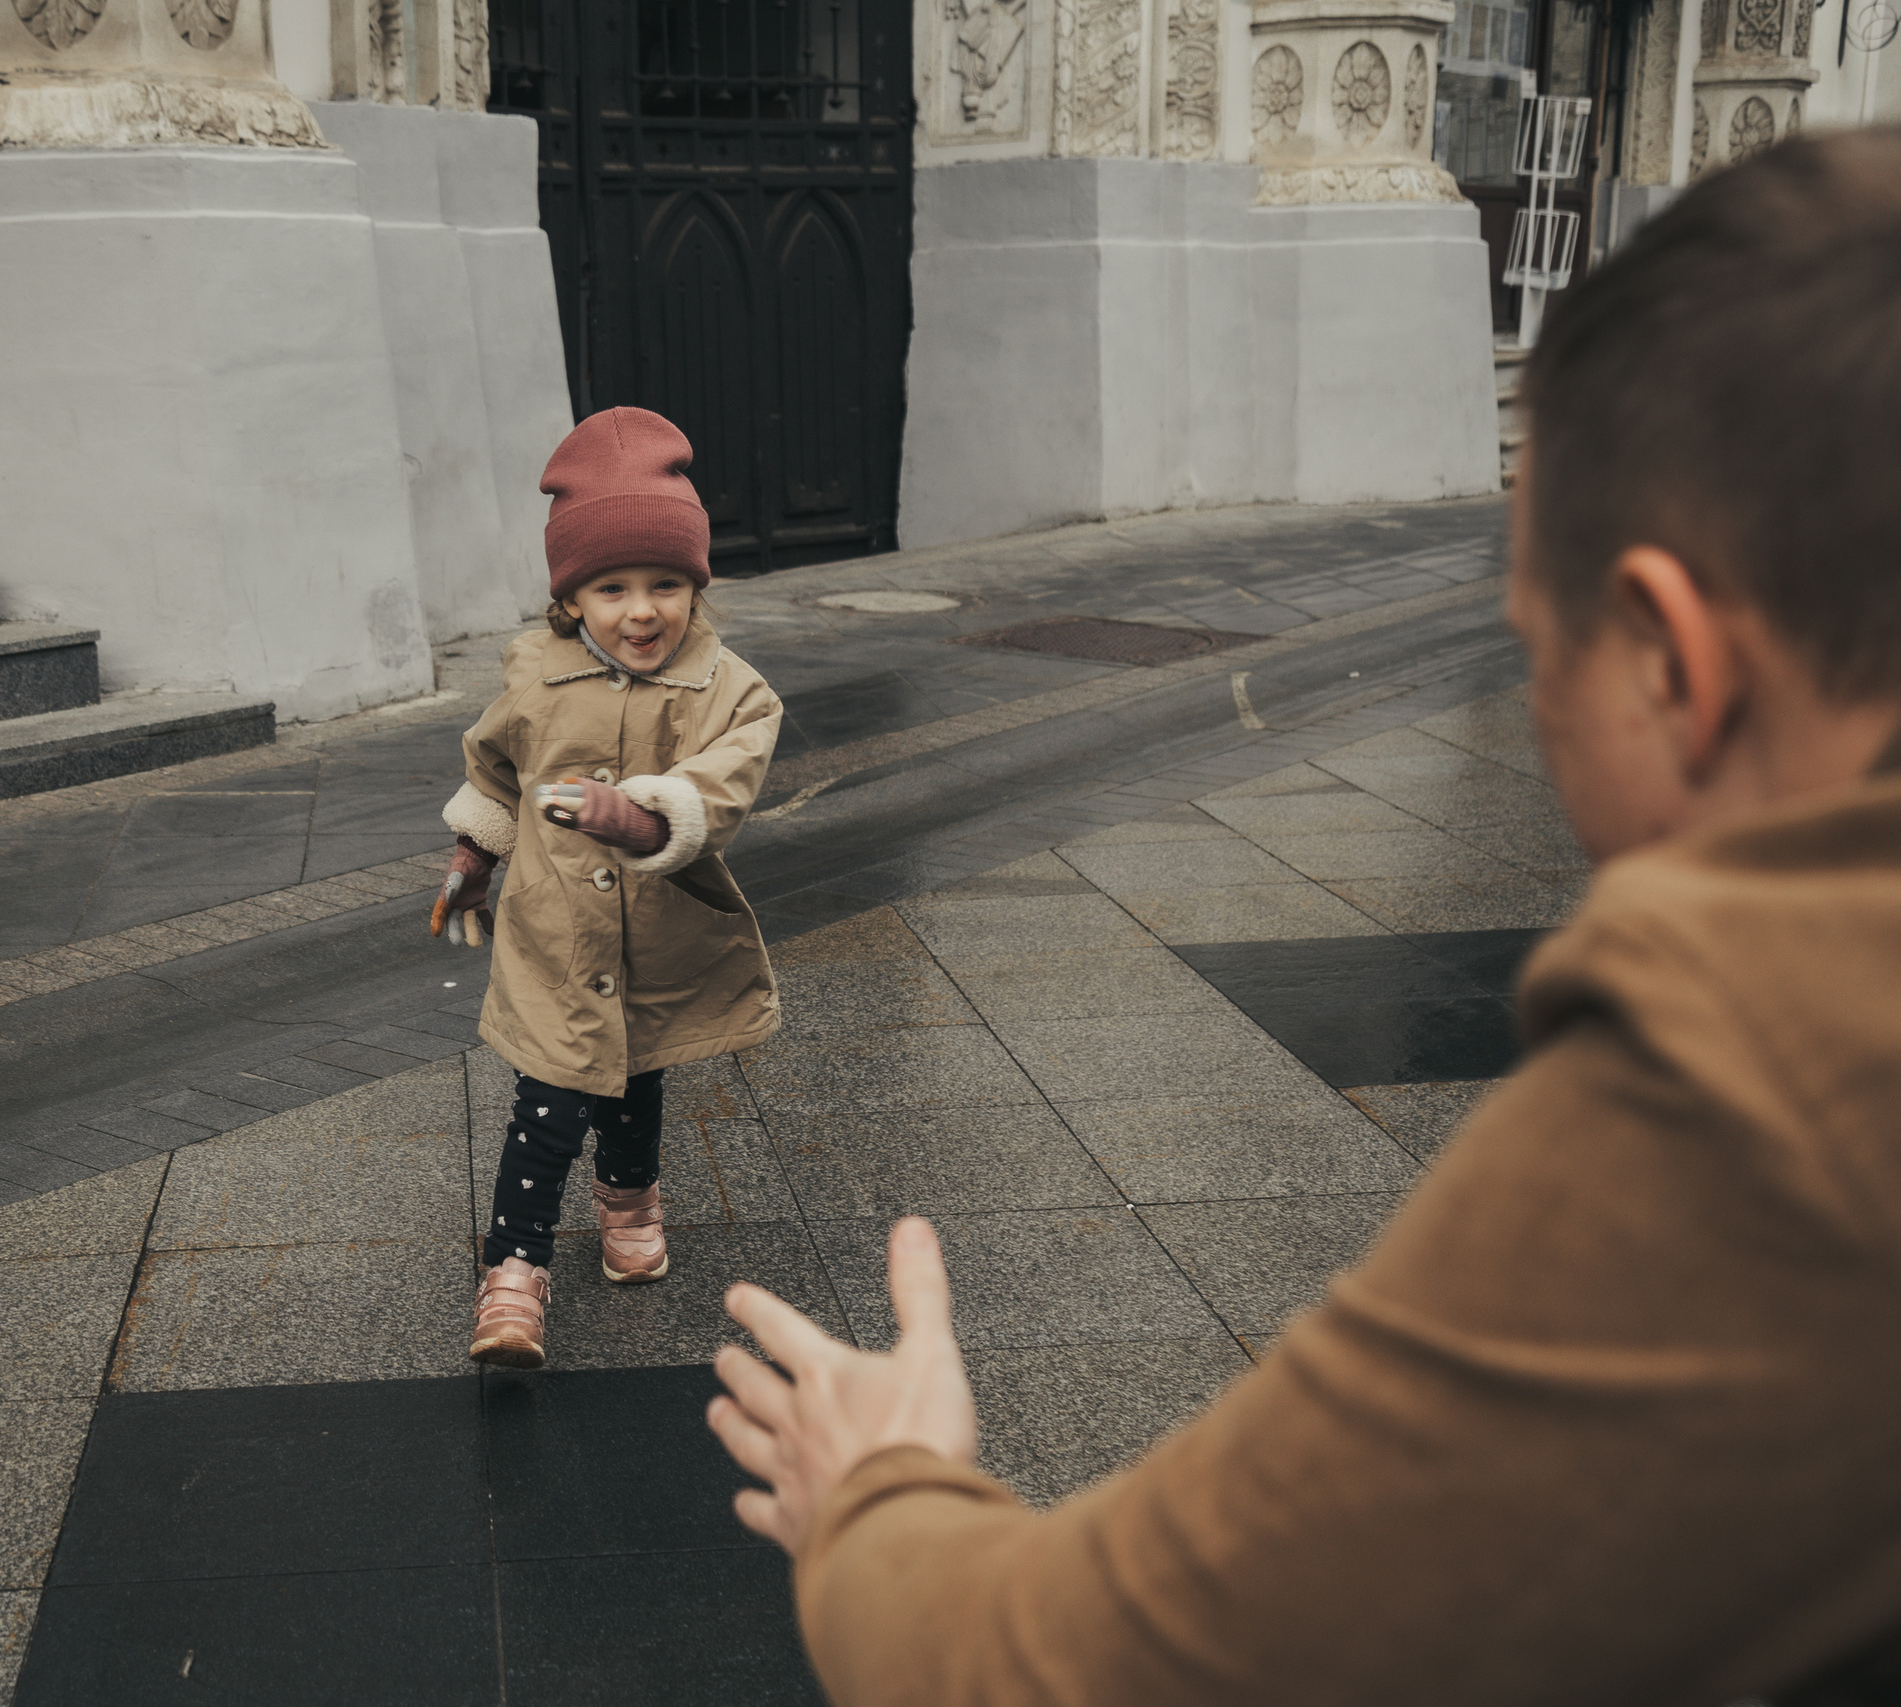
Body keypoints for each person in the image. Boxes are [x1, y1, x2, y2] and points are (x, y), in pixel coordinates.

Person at [705, 127, 1901, 1706]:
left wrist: (878, 1487)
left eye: (1539, 656)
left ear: (1670, 659)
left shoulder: (1767, 1100)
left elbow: (1050, 1674)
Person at [434, 405, 783, 1369]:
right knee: (548, 1102)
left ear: (696, 586)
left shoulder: (731, 690)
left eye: (667, 584)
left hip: (661, 935)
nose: (642, 610)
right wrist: (474, 857)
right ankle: (514, 1272)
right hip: (556, 939)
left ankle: (629, 1203)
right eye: (612, 586)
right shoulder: (535, 678)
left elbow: (726, 780)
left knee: (635, 1080)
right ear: (570, 598)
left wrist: (646, 816)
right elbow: (495, 770)